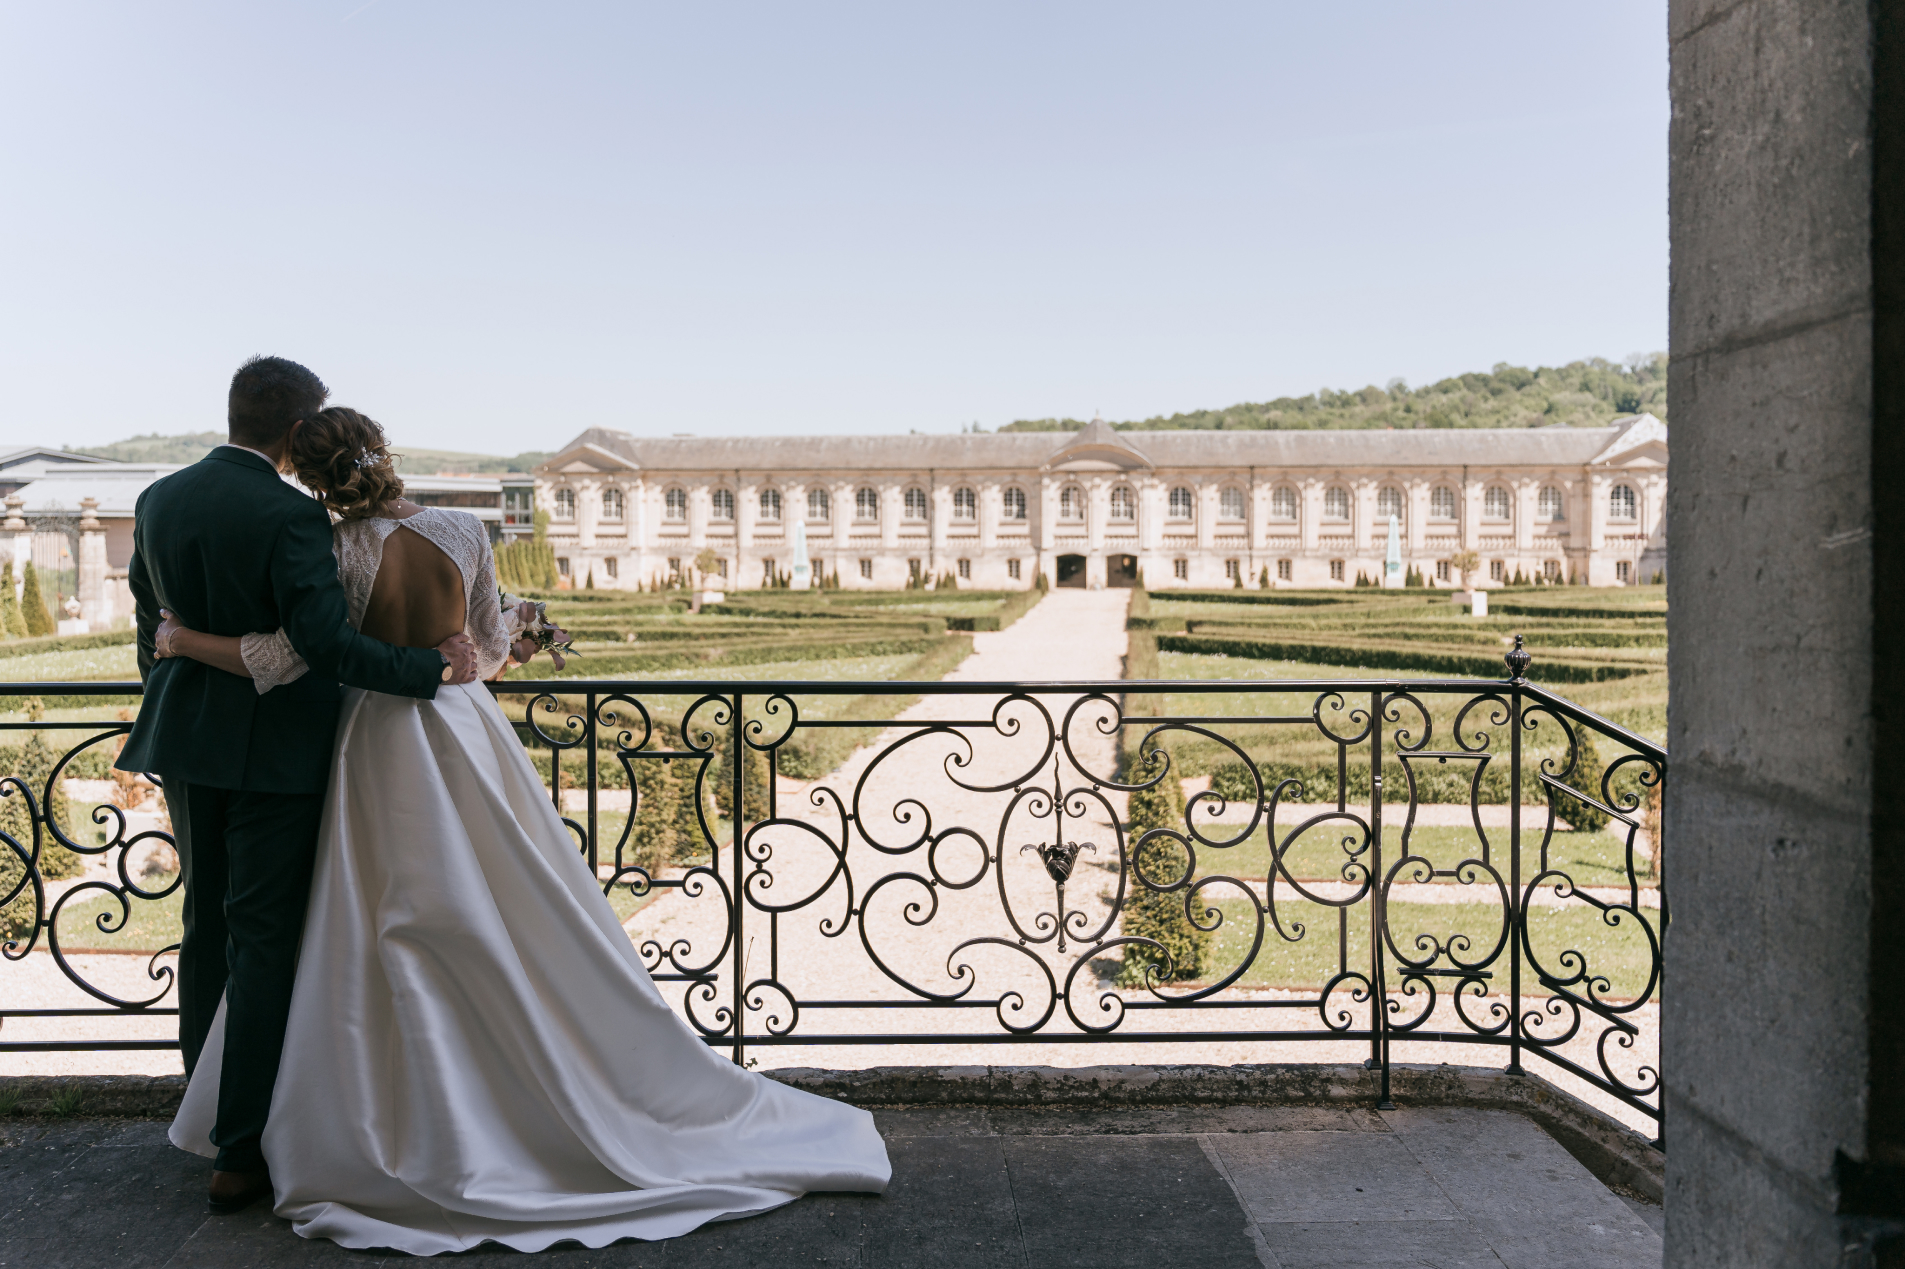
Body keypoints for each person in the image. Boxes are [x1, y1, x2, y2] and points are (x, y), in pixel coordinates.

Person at [154, 404, 889, 1253]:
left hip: (367, 738)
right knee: (511, 904)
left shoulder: (325, 543)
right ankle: (526, 1084)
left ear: (311, 475)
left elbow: (296, 654)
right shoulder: (464, 527)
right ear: (386, 453)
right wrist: (520, 638)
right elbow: (487, 649)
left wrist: (178, 638)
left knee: (361, 924)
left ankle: (359, 1113)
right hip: (460, 730)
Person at [116, 357, 482, 1216]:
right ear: (294, 431)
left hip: (184, 739)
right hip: (273, 755)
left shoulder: (159, 497)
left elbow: (151, 624)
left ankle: (201, 1115)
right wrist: (425, 669)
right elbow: (320, 642)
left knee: (204, 927)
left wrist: (175, 696)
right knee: (266, 939)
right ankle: (241, 1150)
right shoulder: (291, 515)